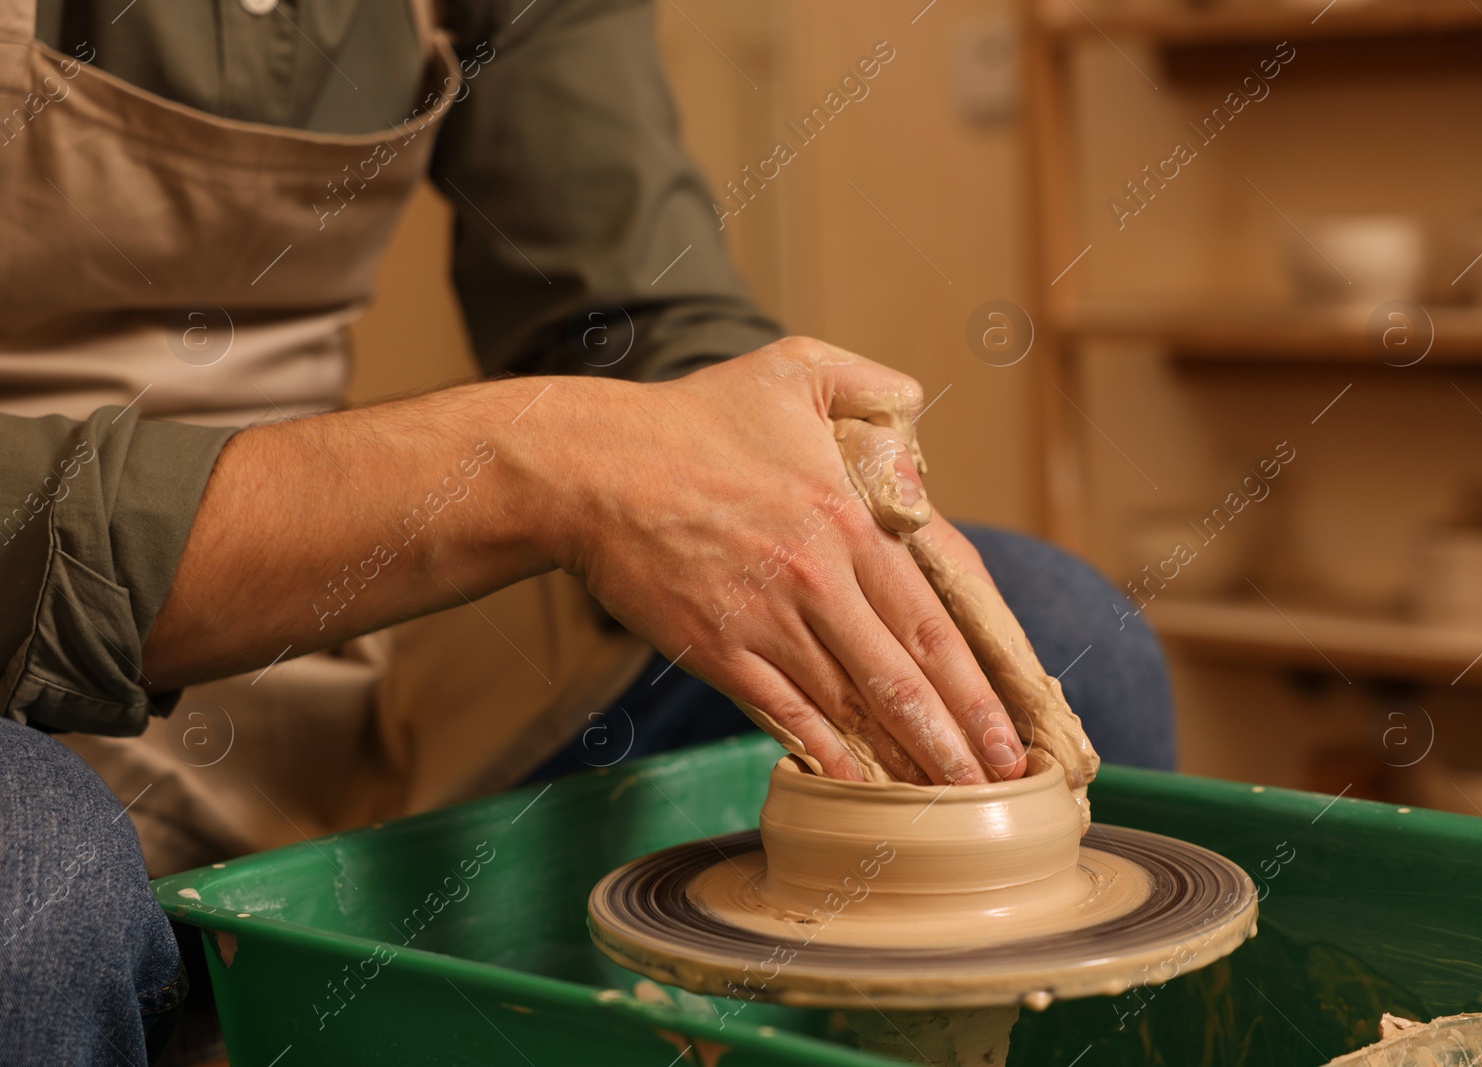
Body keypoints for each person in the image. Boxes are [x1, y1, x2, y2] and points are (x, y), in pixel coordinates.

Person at [0, 0, 1174, 1061]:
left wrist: (772, 464)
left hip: (323, 627)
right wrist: (534, 456)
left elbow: (625, 305)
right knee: (30, 878)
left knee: (1061, 633)